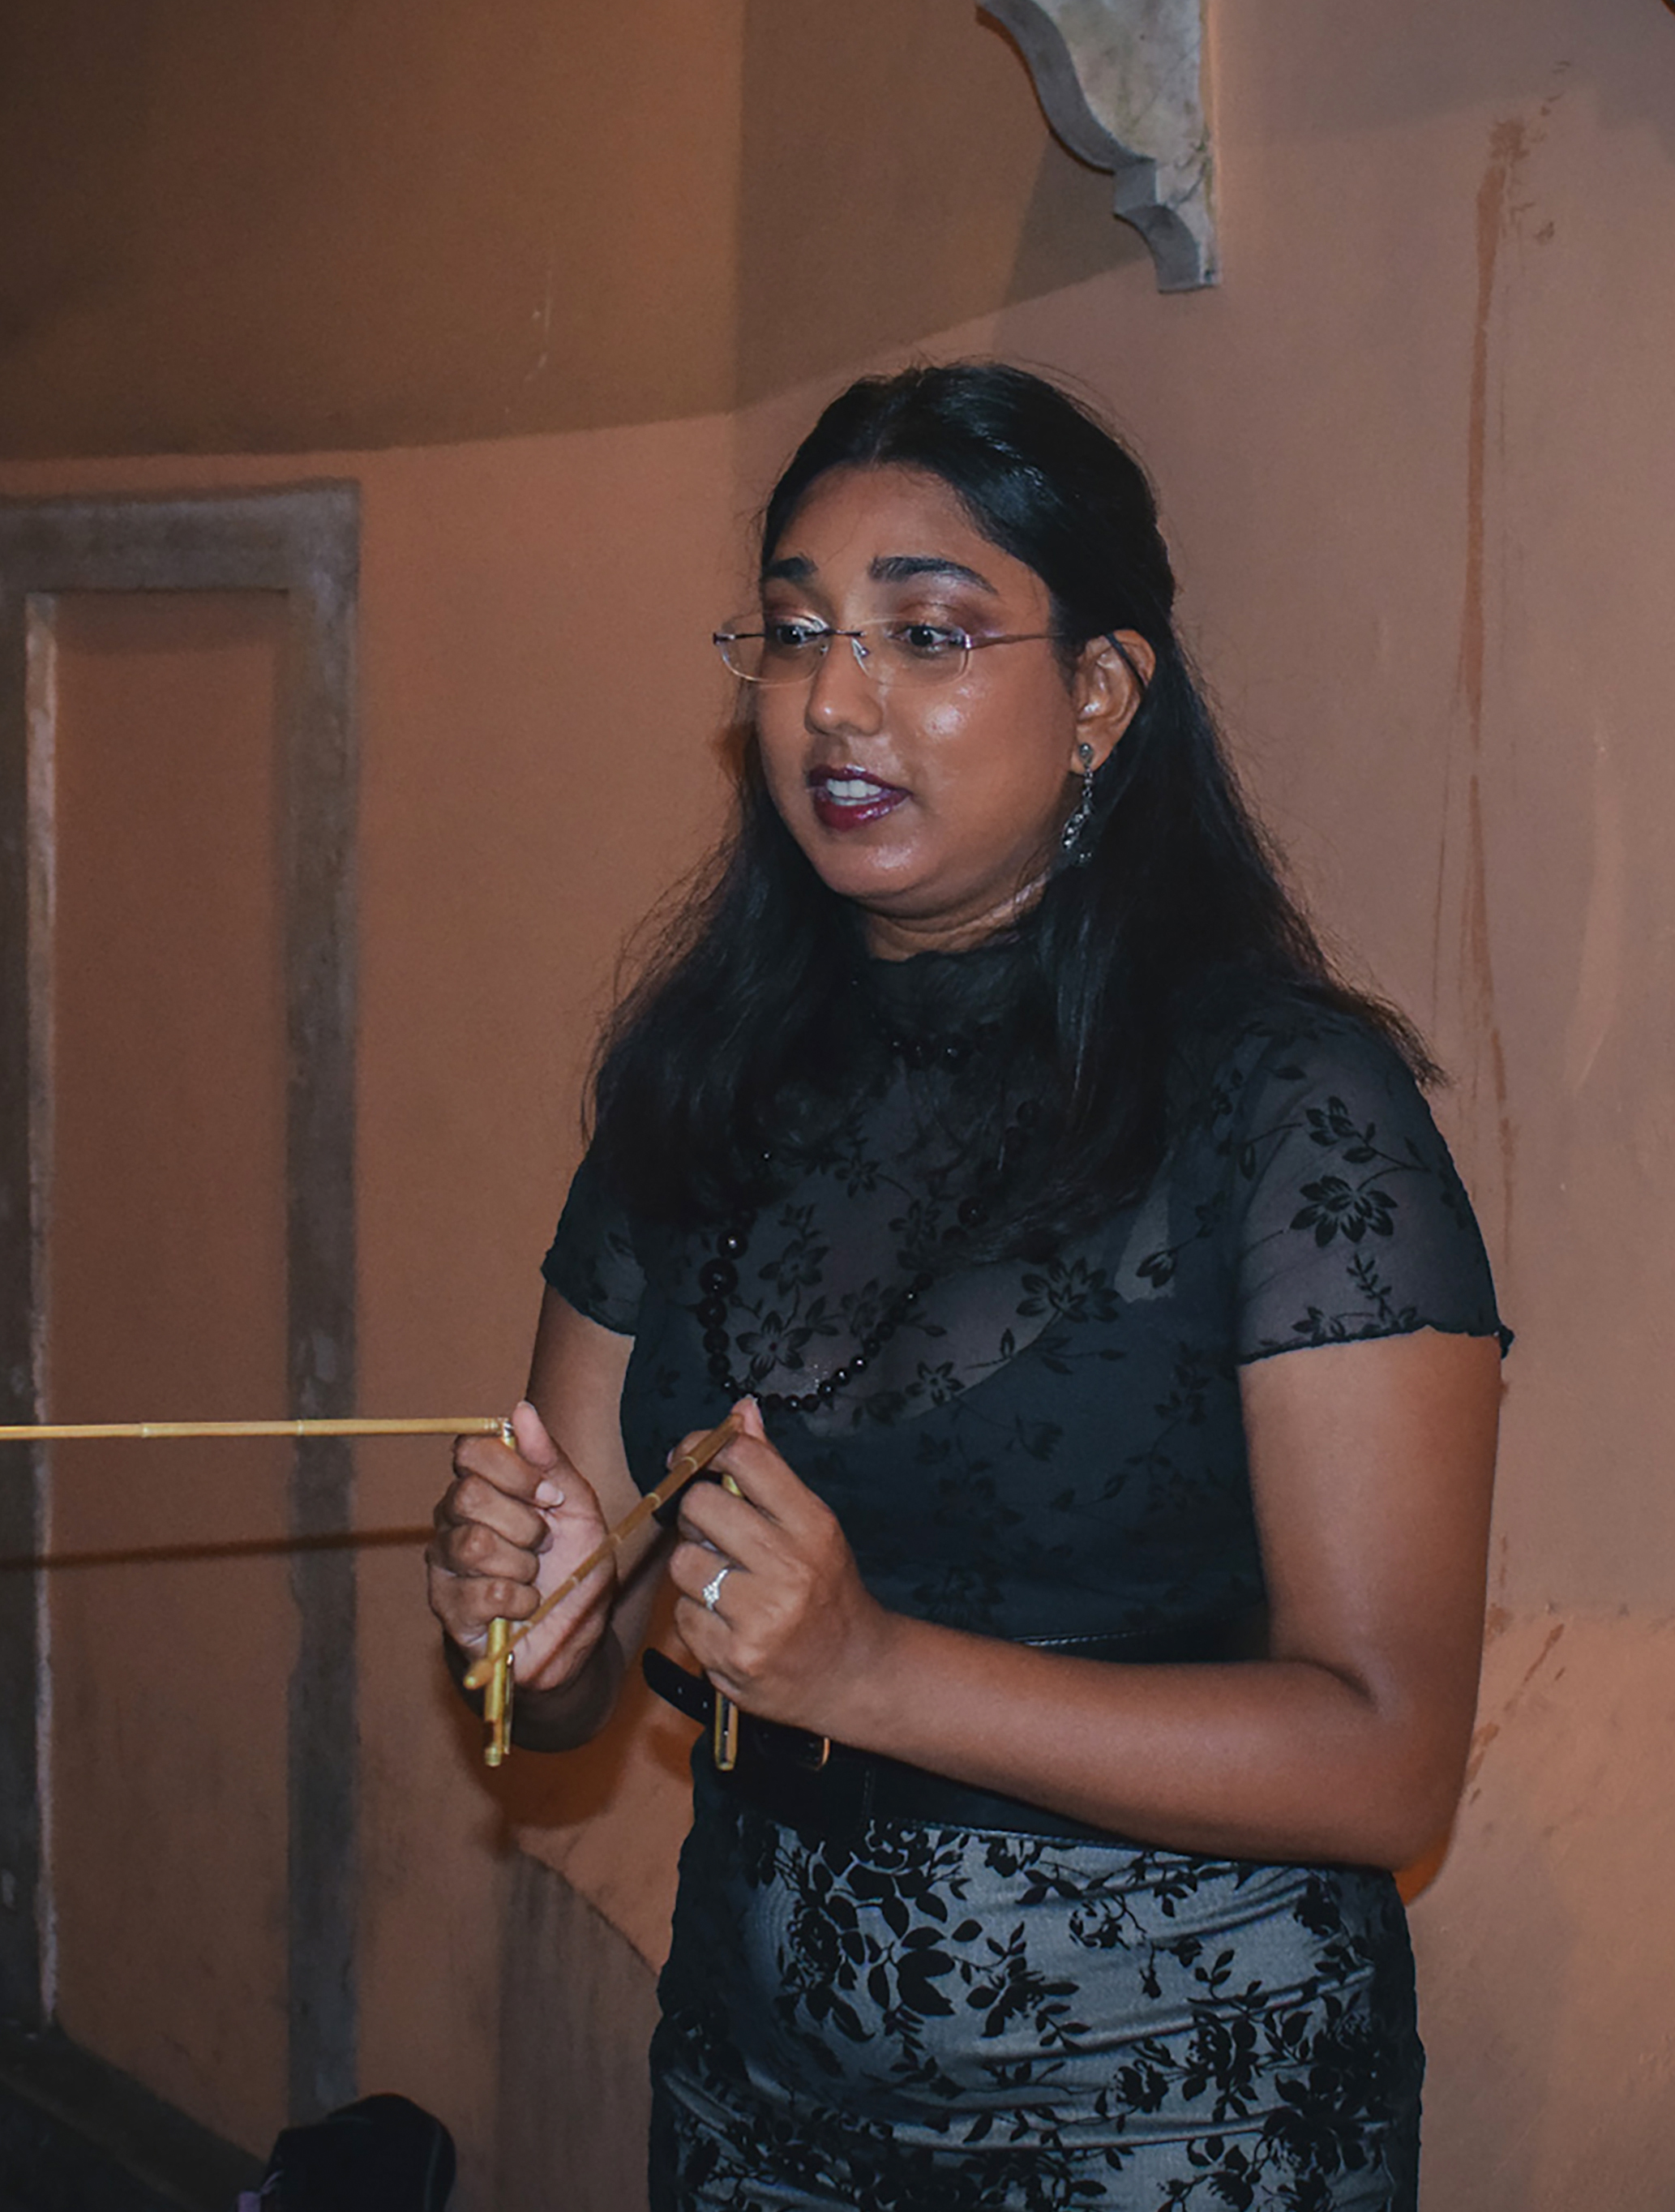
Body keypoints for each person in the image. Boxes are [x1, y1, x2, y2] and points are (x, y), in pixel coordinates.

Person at [424, 362, 1509, 2209]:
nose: (831, 701)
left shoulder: (1282, 1109)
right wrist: (521, 1617)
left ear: (1099, 692)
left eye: (923, 634)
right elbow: (567, 1673)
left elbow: (1385, 1759)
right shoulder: (701, 1085)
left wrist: (874, 1671)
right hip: (756, 2099)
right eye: (789, 635)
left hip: (1168, 2109)